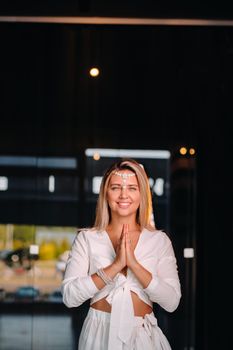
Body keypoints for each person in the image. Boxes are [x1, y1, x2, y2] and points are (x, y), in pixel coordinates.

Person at [61, 158, 181, 350]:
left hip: (143, 337)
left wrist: (134, 264)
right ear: (105, 194)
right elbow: (69, 297)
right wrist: (115, 266)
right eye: (116, 187)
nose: (124, 195)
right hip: (98, 333)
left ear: (142, 194)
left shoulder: (159, 241)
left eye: (132, 188)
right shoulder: (87, 238)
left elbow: (172, 302)